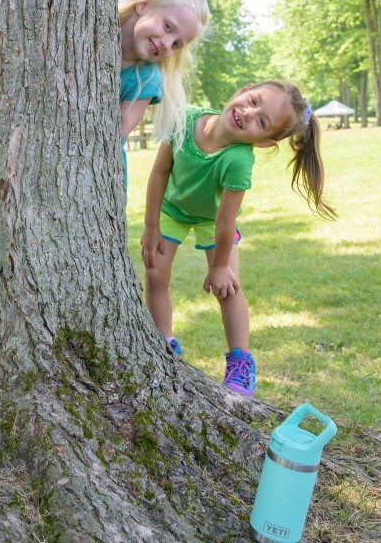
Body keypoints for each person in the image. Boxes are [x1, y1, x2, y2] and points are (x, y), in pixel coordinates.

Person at [140, 80, 336, 398]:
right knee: (154, 272)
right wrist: (151, 226)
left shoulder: (239, 159)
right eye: (253, 100)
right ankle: (164, 344)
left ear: (264, 141)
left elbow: (225, 221)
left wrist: (219, 266)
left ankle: (240, 363)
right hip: (172, 209)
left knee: (229, 287)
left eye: (261, 121)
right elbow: (160, 172)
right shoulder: (185, 120)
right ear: (243, 89)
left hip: (215, 221)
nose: (248, 113)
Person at [118, 0, 209, 147]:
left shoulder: (146, 78)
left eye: (176, 44)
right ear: (143, 4)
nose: (167, 44)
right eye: (168, 26)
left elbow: (115, 131)